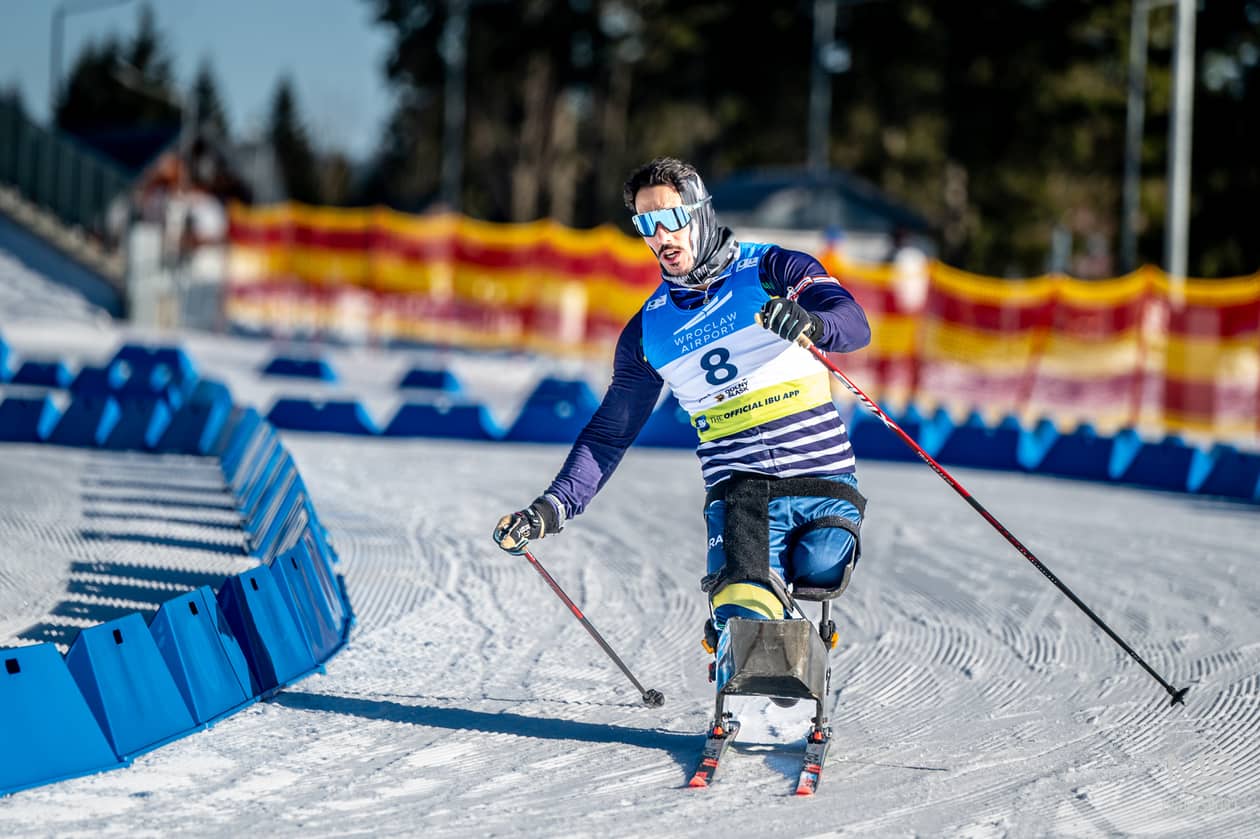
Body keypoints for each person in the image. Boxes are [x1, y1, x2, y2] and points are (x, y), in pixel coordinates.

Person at [494, 157, 872, 654]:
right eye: (646, 224)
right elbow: (611, 431)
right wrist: (551, 507)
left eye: (672, 217)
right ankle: (741, 632)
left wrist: (812, 322)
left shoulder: (772, 268)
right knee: (745, 615)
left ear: (701, 211)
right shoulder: (648, 331)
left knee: (820, 564)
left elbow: (853, 323)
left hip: (823, 480)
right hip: (741, 497)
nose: (660, 236)